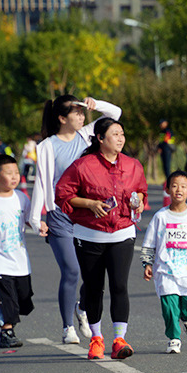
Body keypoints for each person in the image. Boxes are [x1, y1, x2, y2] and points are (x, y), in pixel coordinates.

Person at [31, 95, 122, 344]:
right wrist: (37, 217)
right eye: (76, 113)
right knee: (71, 270)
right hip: (60, 214)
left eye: (83, 114)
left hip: (87, 213)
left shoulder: (87, 135)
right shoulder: (47, 146)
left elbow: (115, 114)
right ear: (62, 118)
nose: (82, 117)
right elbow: (42, 182)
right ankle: (67, 327)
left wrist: (96, 104)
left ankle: (82, 307)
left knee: (91, 272)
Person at [55, 118, 147, 360]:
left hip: (123, 232)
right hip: (89, 234)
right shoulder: (83, 166)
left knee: (119, 286)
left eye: (122, 133)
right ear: (100, 138)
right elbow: (62, 193)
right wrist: (90, 203)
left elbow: (141, 193)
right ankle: (96, 339)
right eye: (115, 134)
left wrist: (137, 201)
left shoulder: (133, 165)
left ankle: (119, 339)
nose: (120, 138)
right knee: (95, 289)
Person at [0, 155, 47, 348]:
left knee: (23, 298)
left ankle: (11, 320)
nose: (14, 177)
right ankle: (6, 332)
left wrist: (41, 226)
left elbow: (31, 219)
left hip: (20, 260)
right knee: (6, 299)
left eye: (16, 172)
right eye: (9, 173)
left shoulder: (21, 198)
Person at [140, 170, 187, 354]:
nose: (178, 189)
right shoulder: (160, 217)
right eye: (174, 185)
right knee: (169, 306)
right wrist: (147, 264)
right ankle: (174, 338)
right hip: (166, 270)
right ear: (167, 190)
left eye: (183, 186)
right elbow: (149, 244)